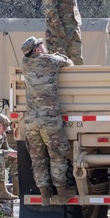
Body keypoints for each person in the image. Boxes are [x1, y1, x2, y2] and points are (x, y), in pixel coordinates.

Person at [21, 36, 73, 206]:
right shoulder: (50, 60)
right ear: (37, 50)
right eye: (42, 45)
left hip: (31, 121)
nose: (44, 47)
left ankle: (45, 195)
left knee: (37, 158)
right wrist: (57, 55)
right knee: (57, 155)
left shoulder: (25, 64)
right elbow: (69, 63)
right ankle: (62, 193)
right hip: (49, 120)